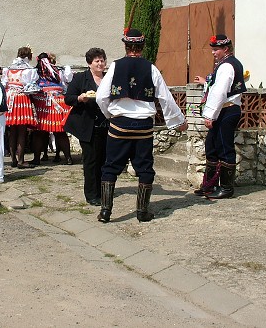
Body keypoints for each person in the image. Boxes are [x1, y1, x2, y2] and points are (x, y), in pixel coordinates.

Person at [96, 28, 188, 223]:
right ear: (142, 46)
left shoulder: (115, 66)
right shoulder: (151, 68)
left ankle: (105, 212)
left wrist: (109, 114)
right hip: (143, 128)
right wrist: (178, 121)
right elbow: (165, 97)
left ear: (126, 46)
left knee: (111, 167)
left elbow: (101, 96)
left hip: (119, 125)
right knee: (145, 168)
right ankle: (142, 212)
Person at [193, 34, 246, 200]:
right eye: (213, 49)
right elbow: (214, 86)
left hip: (227, 110)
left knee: (224, 148)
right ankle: (210, 184)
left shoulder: (227, 66)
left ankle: (226, 187)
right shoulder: (225, 64)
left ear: (226, 49)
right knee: (212, 146)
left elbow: (219, 93)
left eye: (216, 50)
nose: (213, 53)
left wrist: (210, 115)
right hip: (223, 110)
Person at [64, 48, 108, 206]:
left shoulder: (109, 78)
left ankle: (103, 191)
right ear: (90, 63)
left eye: (102, 60)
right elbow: (68, 98)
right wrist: (80, 98)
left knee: (103, 160)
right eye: (96, 61)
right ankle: (91, 194)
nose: (100, 63)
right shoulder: (81, 78)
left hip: (105, 125)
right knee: (91, 160)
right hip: (87, 126)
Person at [30, 52, 73, 166]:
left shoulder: (36, 71)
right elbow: (66, 83)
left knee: (40, 132)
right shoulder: (59, 70)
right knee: (59, 132)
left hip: (44, 101)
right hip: (56, 101)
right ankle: (68, 158)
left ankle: (37, 159)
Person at [3, 46, 38, 168]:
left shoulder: (8, 69)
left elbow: (5, 84)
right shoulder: (29, 70)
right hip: (21, 98)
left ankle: (13, 159)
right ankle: (21, 160)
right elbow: (31, 86)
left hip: (10, 98)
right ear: (29, 56)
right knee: (22, 131)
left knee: (12, 130)